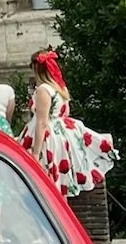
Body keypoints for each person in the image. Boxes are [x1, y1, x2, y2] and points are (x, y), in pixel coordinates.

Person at [29, 49, 116, 201]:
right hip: (62, 136)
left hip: (48, 139)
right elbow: (65, 112)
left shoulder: (43, 90)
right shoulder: (60, 88)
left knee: (45, 183)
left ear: (37, 69)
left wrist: (35, 153)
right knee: (59, 185)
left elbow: (42, 122)